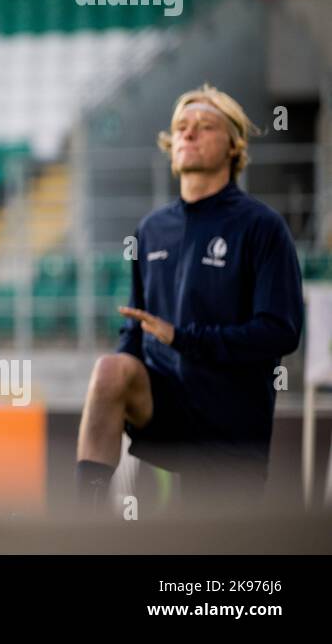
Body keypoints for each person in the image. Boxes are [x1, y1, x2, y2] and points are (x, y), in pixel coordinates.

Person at [75, 84, 304, 511]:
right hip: (164, 405)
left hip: (231, 421)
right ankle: (82, 518)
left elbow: (281, 331)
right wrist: (130, 363)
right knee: (109, 370)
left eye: (204, 127)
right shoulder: (151, 229)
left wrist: (185, 338)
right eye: (181, 127)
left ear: (234, 146)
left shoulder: (262, 226)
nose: (188, 134)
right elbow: (135, 326)